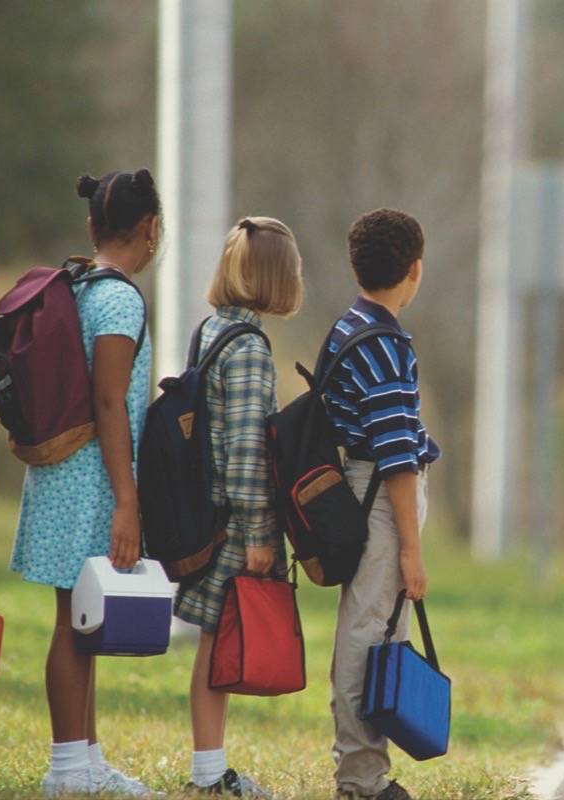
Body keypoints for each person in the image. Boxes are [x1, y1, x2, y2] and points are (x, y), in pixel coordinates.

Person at [9, 170, 161, 797]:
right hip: (94, 478)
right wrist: (128, 501)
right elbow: (109, 403)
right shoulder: (120, 299)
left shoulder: (78, 284)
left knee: (84, 617)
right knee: (75, 626)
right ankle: (67, 768)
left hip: (63, 469)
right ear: (151, 230)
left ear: (92, 227)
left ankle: (88, 758)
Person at [175, 217, 303, 797]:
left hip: (207, 508)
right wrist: (258, 533)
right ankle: (208, 772)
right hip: (233, 520)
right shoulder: (249, 349)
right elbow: (247, 447)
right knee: (218, 642)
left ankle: (209, 765)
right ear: (279, 277)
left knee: (212, 638)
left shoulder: (211, 330)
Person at [322, 209, 440, 800]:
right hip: (379, 502)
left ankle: (369, 770)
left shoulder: (349, 325)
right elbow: (395, 456)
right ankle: (362, 780)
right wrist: (412, 550)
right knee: (368, 634)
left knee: (372, 630)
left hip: (360, 492)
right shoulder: (385, 346)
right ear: (414, 270)